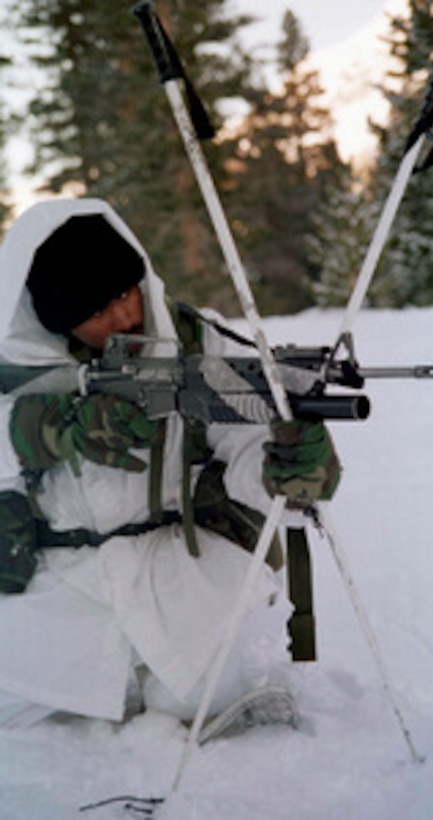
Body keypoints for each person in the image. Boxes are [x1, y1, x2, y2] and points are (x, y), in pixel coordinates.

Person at [0, 198, 340, 731]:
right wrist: (51, 431)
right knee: (25, 714)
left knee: (208, 699)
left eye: (124, 293)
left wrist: (282, 467)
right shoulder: (14, 364)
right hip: (60, 579)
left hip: (177, 564)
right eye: (93, 312)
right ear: (55, 322)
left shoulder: (193, 340)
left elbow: (244, 436)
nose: (122, 319)